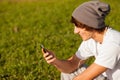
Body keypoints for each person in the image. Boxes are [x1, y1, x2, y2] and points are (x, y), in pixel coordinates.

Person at [41, 0, 120, 80]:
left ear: (90, 24)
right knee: (70, 72)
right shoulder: (91, 40)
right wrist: (55, 61)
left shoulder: (113, 43)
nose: (75, 31)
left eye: (78, 26)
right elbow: (72, 65)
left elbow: (84, 78)